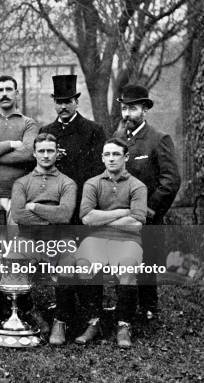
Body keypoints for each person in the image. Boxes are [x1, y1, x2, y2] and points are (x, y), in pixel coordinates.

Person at [56, 138, 147, 348]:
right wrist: (122, 213)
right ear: (102, 158)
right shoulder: (92, 183)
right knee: (85, 263)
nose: (111, 158)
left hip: (128, 240)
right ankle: (93, 322)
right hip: (95, 238)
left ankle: (124, 325)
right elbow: (86, 218)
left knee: (127, 266)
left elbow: (137, 222)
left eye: (116, 154)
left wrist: (103, 219)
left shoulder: (137, 186)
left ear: (126, 157)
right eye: (107, 154)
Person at [113, 84, 181, 320]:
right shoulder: (118, 139)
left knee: (147, 263)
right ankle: (126, 307)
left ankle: (149, 308)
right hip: (121, 214)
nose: (127, 115)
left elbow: (170, 180)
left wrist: (149, 209)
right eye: (123, 109)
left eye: (132, 109)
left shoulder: (159, 139)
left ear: (144, 110)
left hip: (148, 215)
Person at [11, 133, 77, 339]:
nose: (46, 155)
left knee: (69, 259)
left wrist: (35, 206)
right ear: (34, 153)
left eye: (50, 151)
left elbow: (65, 214)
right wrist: (50, 215)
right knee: (13, 258)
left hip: (57, 238)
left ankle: (60, 321)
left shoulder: (67, 183)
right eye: (42, 151)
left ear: (57, 154)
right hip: (28, 238)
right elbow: (19, 215)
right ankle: (30, 312)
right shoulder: (21, 183)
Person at [39, 74, 107, 224]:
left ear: (76, 102)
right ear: (54, 103)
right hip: (53, 202)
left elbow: (99, 169)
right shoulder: (45, 131)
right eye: (59, 102)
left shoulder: (93, 130)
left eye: (68, 102)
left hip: (81, 202)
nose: (63, 107)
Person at [0, 75, 39, 224]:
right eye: (0, 90)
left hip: (19, 195)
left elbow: (28, 153)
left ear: (16, 93)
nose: (4, 93)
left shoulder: (29, 124)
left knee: (17, 244)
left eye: (9, 89)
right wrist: (11, 144)